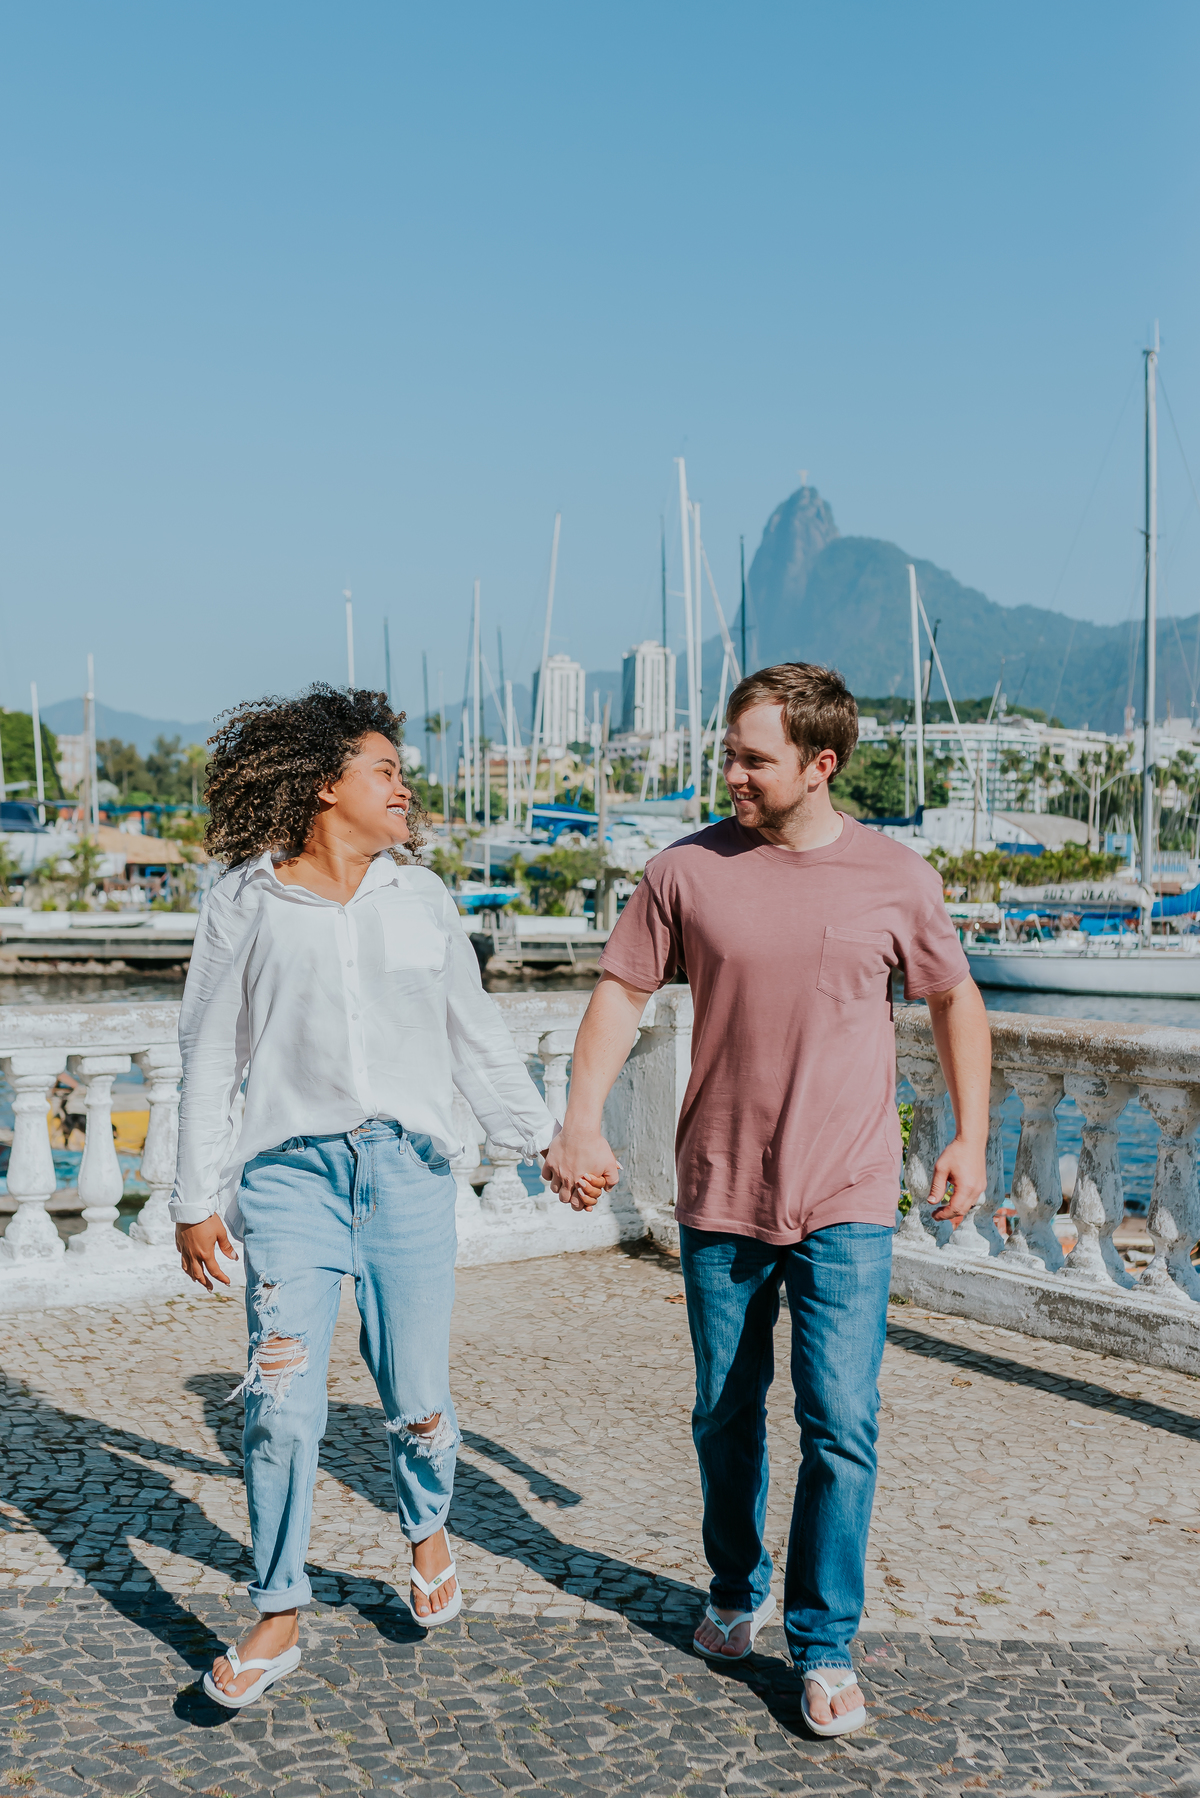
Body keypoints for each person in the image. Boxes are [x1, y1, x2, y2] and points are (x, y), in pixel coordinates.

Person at [543, 663, 990, 1737]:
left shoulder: (896, 876)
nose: (731, 774)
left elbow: (952, 996)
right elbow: (620, 995)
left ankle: (824, 1642)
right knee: (726, 1410)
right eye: (729, 754)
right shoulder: (683, 871)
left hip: (848, 1188)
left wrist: (970, 1135)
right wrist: (581, 1118)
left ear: (819, 764)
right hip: (723, 1186)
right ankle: (735, 1584)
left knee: (840, 1421)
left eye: (754, 758)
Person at [171, 684, 555, 1710]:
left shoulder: (421, 897)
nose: (404, 785)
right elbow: (209, 1053)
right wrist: (191, 1196)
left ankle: (426, 1533)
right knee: (279, 1401)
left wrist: (540, 1143)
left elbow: (472, 1035)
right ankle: (279, 1611)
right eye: (385, 769)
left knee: (416, 1396)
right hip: (290, 1176)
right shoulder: (245, 900)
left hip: (408, 1175)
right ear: (325, 784)